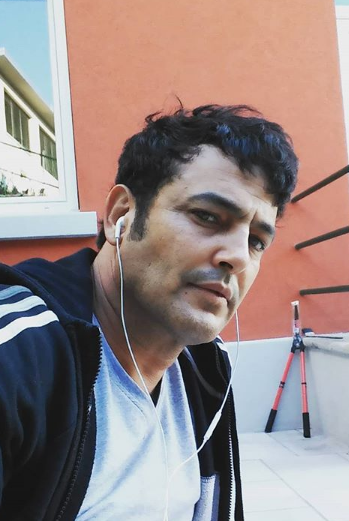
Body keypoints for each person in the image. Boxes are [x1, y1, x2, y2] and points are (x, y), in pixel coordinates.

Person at [0, 104, 299, 520]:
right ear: (121, 216)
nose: (237, 257)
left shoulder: (205, 367)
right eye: (207, 216)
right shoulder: (16, 357)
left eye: (256, 241)